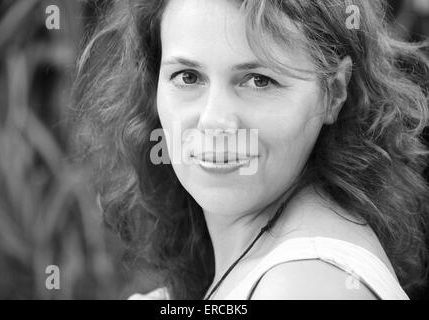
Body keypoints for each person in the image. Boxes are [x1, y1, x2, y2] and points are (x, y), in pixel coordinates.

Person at [71, 0, 429, 300]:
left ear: (333, 92)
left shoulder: (308, 285)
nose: (214, 121)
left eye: (259, 81)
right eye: (188, 76)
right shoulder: (266, 258)